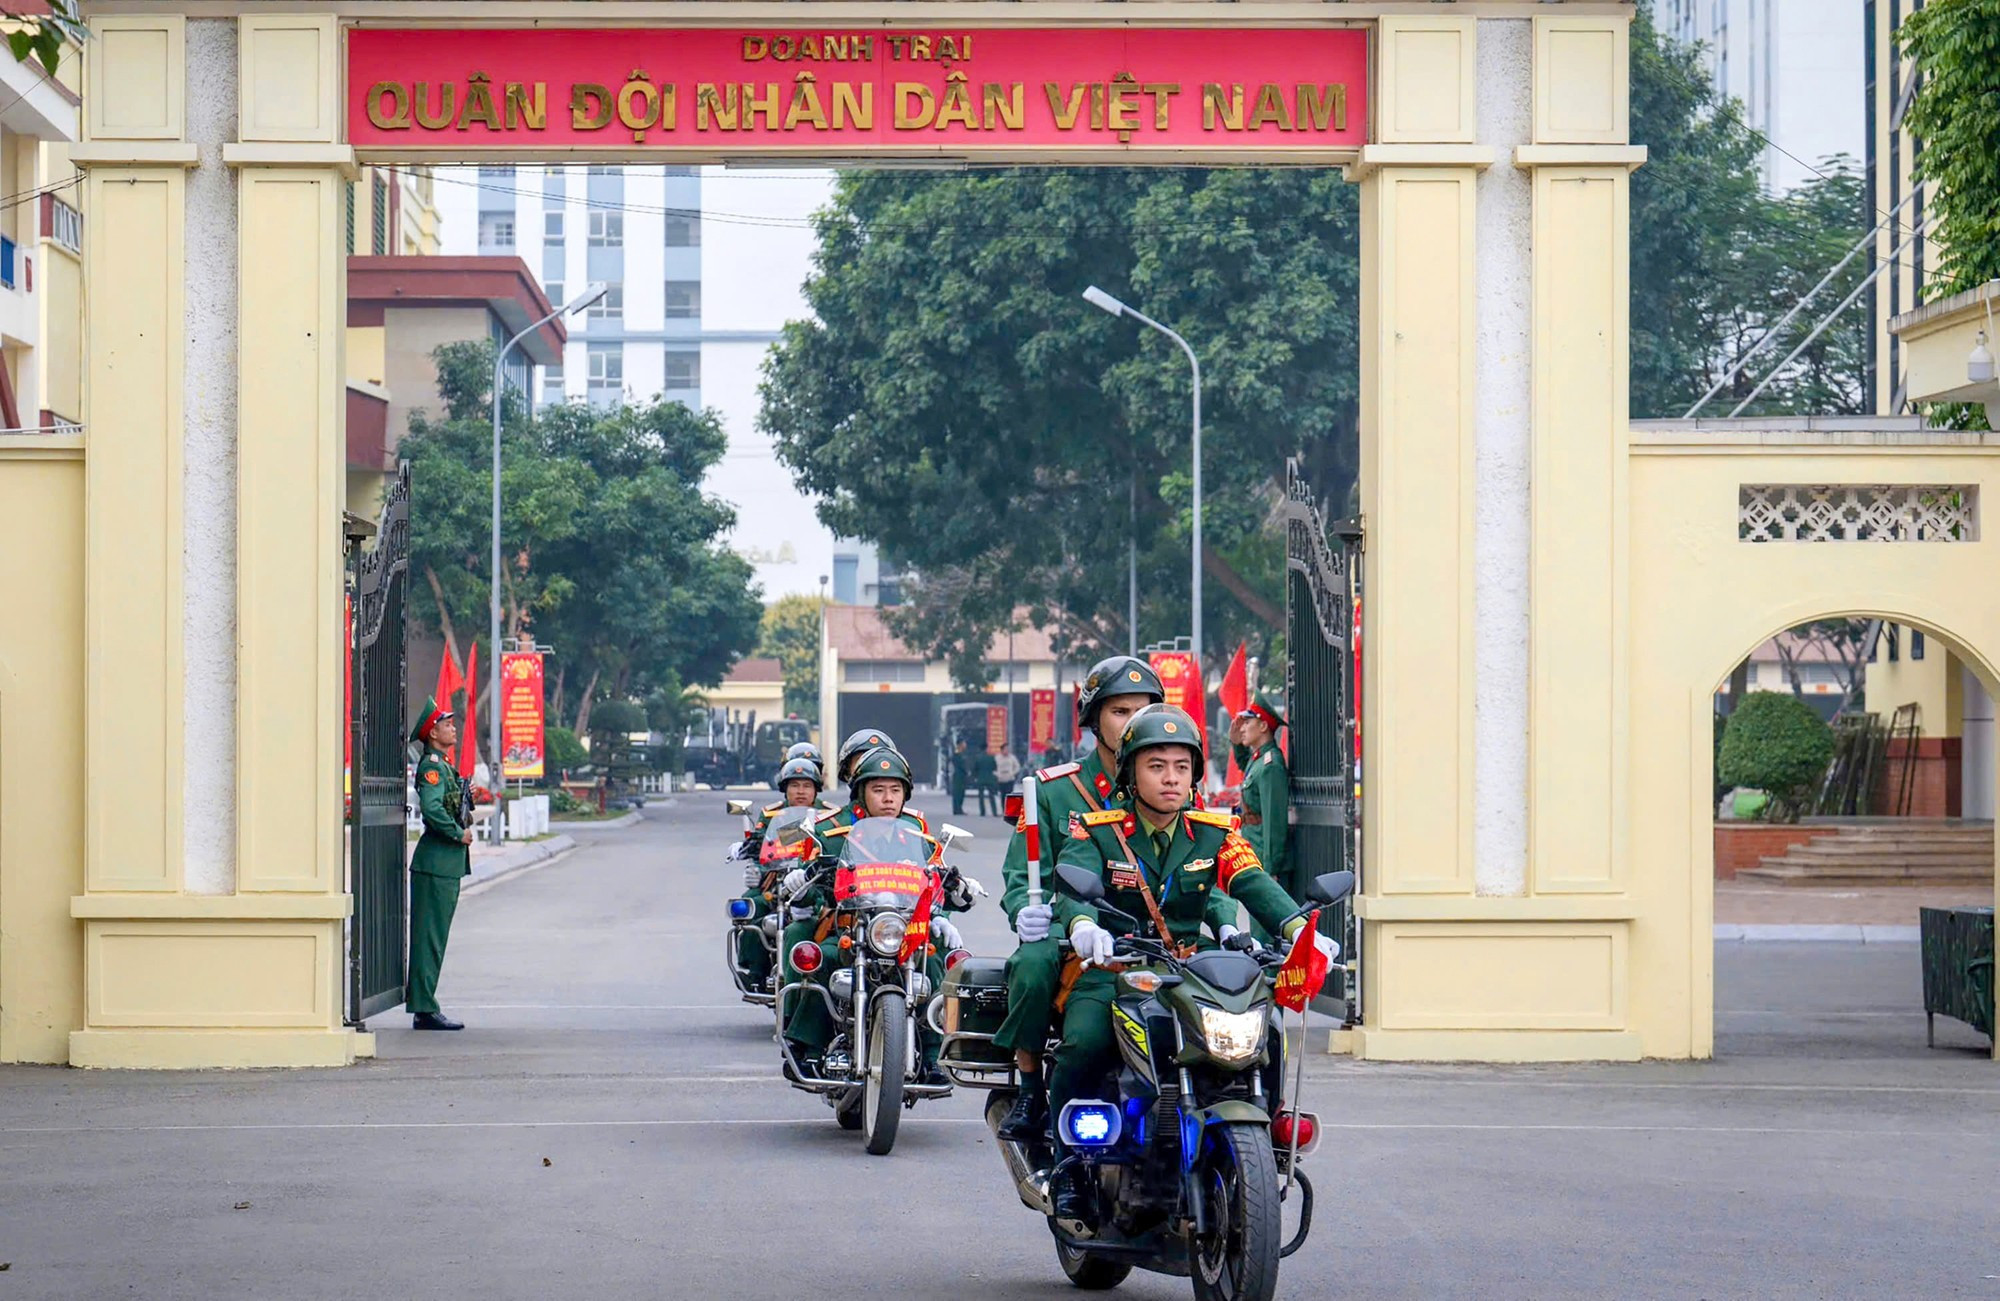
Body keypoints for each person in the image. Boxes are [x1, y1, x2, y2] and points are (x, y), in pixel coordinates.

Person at [1044, 703, 1335, 1221]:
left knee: (1261, 1033)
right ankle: (1068, 1167)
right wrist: (1083, 926)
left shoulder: (1214, 832)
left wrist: (1299, 930)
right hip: (1115, 968)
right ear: (1131, 772)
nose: (1171, 779)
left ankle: (1259, 1152)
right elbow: (1074, 882)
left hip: (1187, 968)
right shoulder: (1097, 829)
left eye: (1182, 767)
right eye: (1156, 766)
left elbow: (1252, 882)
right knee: (1083, 1042)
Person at [992, 656, 1240, 1141]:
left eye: (1145, 708)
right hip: (1074, 931)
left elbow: (1202, 869)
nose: (1134, 720)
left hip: (1160, 939)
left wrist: (1229, 921)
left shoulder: (1175, 783)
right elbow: (1023, 873)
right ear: (1094, 722)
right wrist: (1030, 913)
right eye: (1120, 711)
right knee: (1034, 963)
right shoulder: (1057, 791)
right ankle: (1029, 1086)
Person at [777, 747, 966, 1084]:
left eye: (895, 790)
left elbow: (934, 877)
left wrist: (948, 903)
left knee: (934, 962)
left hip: (904, 928)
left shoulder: (918, 834)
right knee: (826, 958)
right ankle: (807, 1046)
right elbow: (815, 877)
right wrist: (802, 880)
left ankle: (937, 1052)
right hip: (852, 925)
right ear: (861, 792)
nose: (888, 799)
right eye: (878, 790)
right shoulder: (830, 833)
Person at [732, 757, 833, 992]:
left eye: (807, 786)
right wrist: (750, 857)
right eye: (794, 785)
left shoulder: (829, 817)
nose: (800, 791)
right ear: (784, 788)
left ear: (816, 790)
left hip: (814, 882)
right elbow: (764, 845)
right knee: (750, 906)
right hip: (777, 879)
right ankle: (755, 972)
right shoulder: (775, 814)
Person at [407, 696, 472, 1031]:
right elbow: (432, 810)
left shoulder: (444, 764)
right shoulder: (432, 768)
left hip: (444, 866)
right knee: (429, 938)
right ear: (433, 732)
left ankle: (425, 1003)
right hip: (436, 863)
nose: (453, 727)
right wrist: (457, 832)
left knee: (435, 938)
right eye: (447, 724)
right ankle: (424, 1007)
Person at [1237, 692, 1293, 921]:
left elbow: (1274, 821)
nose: (1242, 727)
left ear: (1262, 726)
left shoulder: (1271, 765)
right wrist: (1235, 743)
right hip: (1255, 849)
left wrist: (1271, 869)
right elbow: (1244, 766)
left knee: (1266, 927)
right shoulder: (1259, 759)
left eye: (1247, 722)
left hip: (1264, 853)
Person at [972, 746, 998, 816]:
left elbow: (975, 769)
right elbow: (995, 767)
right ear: (986, 749)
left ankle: (982, 812)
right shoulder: (991, 757)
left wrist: (975, 777)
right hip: (990, 779)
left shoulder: (978, 758)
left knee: (981, 796)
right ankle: (994, 811)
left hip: (981, 779)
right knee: (991, 796)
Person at [949, 738, 970, 816]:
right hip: (958, 776)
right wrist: (966, 771)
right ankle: (957, 809)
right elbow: (960, 765)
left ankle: (959, 808)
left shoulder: (962, 754)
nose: (965, 745)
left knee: (961, 793)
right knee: (958, 793)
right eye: (964, 743)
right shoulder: (957, 754)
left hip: (961, 776)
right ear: (960, 744)